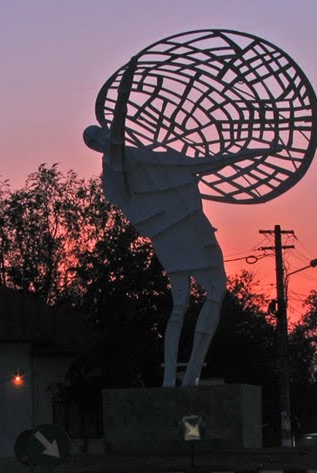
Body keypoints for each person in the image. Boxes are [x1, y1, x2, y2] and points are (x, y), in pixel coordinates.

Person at [83, 59, 282, 387]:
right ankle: (179, 378)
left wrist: (259, 151)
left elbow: (209, 163)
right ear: (97, 145)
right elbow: (118, 133)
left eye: (100, 134)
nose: (104, 139)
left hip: (188, 229)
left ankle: (184, 378)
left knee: (193, 300)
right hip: (177, 233)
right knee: (198, 297)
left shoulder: (148, 158)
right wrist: (125, 89)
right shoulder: (116, 168)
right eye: (97, 139)